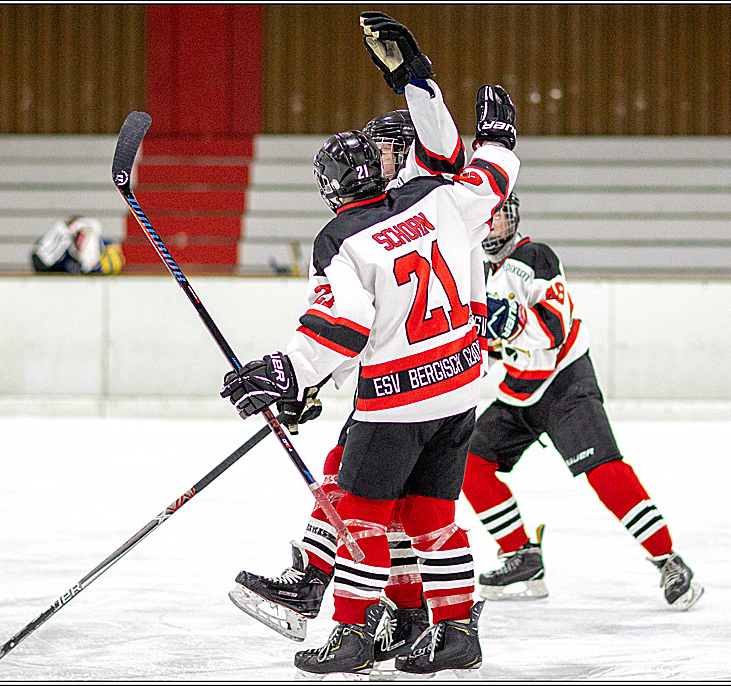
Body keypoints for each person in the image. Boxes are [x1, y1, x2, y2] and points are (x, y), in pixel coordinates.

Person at [220, 11, 519, 678]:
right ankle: (454, 630)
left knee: (361, 513)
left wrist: (288, 372)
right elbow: (488, 173)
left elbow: (346, 324)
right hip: (458, 390)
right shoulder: (440, 198)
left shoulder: (344, 238)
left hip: (397, 398)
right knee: (432, 516)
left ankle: (353, 631)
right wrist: (451, 106)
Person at [228, 104, 451, 662]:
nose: (377, 159)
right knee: (384, 503)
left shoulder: (410, 205)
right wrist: (311, 382)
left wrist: (297, 372)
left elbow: (360, 321)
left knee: (362, 491)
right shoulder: (422, 203)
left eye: (386, 149)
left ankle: (327, 589)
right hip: (428, 377)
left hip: (414, 383)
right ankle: (405, 613)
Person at [463, 191, 705, 611]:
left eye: (498, 216)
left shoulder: (534, 256)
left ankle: (668, 559)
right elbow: (489, 346)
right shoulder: (480, 274)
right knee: (470, 461)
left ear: (512, 219)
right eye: (485, 217)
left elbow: (553, 329)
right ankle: (521, 555)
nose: (491, 225)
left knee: (604, 471)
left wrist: (509, 320)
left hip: (565, 383)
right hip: (520, 389)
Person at [31, 215, 124, 274]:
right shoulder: (64, 254)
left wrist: (95, 265)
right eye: (78, 235)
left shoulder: (104, 245)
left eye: (84, 234)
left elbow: (117, 265)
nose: (81, 239)